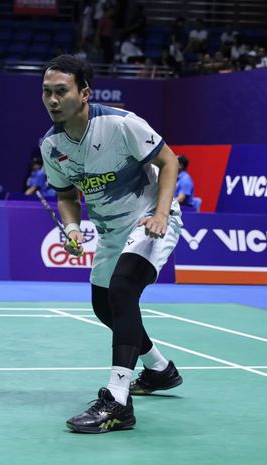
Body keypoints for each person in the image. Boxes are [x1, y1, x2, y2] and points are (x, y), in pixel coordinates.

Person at [39, 55, 183, 433]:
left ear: (84, 93)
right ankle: (159, 370)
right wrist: (71, 229)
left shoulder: (121, 124)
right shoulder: (51, 146)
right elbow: (67, 195)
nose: (53, 100)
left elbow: (169, 162)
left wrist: (162, 215)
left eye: (61, 91)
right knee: (104, 305)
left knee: (122, 290)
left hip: (150, 219)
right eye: (47, 92)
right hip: (110, 232)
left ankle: (118, 401)